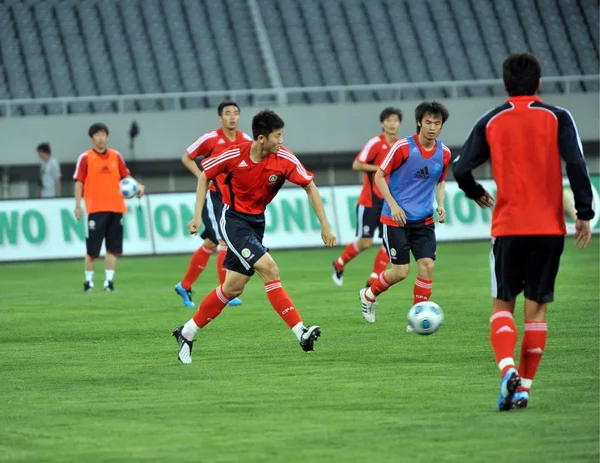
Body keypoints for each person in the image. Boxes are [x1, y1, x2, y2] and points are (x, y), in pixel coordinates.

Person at [452, 52, 594, 411]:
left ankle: (507, 370)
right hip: (548, 228)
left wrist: (476, 192)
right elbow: (577, 164)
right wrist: (584, 212)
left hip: (509, 227)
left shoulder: (491, 120)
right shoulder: (558, 117)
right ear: (539, 82)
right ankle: (524, 389)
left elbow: (461, 168)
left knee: (503, 305)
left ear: (504, 84)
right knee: (537, 311)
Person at [172, 109, 336, 364]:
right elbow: (205, 175)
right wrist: (196, 216)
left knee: (232, 288)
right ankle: (301, 332)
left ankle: (187, 332)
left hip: (257, 222)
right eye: (277, 136)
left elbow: (309, 186)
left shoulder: (284, 159)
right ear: (261, 139)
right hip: (233, 221)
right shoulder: (233, 154)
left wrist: (325, 225)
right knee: (270, 268)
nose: (281, 141)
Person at [358, 102, 451, 328]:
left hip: (424, 220)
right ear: (419, 122)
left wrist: (440, 204)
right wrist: (394, 205)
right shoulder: (403, 147)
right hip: (395, 219)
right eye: (428, 122)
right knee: (400, 272)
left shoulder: (444, 153)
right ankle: (368, 295)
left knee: (427, 265)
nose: (432, 127)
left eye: (437, 123)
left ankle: (416, 318)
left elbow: (440, 182)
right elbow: (380, 176)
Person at [174, 101, 252, 308]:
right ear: (220, 118)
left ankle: (184, 285)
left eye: (236, 113)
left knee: (210, 243)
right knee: (224, 242)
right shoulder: (211, 139)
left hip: (233, 198)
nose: (232, 117)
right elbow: (187, 157)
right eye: (227, 113)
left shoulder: (246, 140)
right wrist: (203, 176)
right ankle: (226, 291)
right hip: (214, 197)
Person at [332, 107, 402, 288]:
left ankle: (373, 280)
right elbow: (357, 164)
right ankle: (339, 263)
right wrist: (380, 168)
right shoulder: (375, 143)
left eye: (395, 120)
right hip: (370, 200)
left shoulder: (401, 145)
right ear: (382, 123)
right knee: (365, 243)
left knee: (389, 242)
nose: (392, 124)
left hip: (390, 201)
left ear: (400, 124)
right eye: (389, 120)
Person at [73, 123, 145, 292]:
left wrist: (138, 186)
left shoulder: (115, 156)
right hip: (96, 209)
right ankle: (89, 282)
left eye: (103, 134)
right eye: (97, 135)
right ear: (92, 138)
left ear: (107, 136)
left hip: (116, 208)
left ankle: (109, 283)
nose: (100, 138)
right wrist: (77, 205)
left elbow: (125, 177)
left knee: (112, 249)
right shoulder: (85, 158)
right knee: (92, 250)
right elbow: (79, 182)